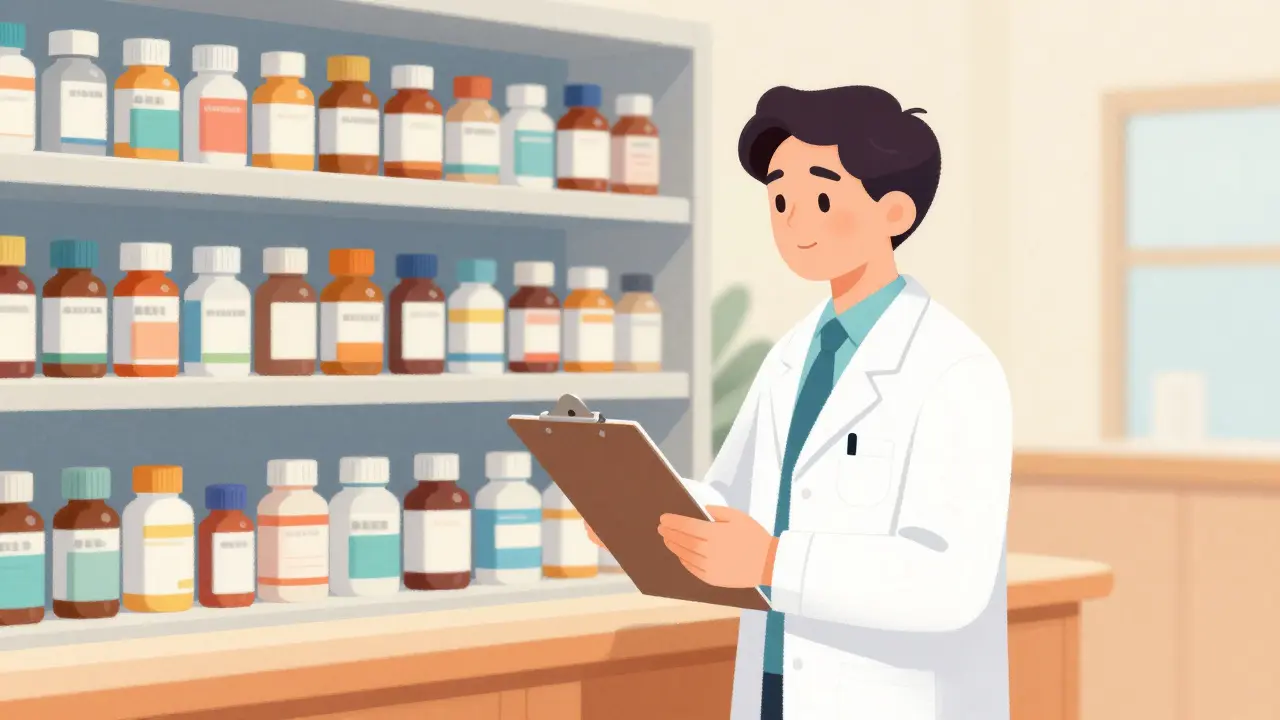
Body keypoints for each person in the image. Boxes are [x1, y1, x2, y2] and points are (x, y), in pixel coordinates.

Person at [587, 85, 1012, 720]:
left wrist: (770, 560)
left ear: (894, 213)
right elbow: (732, 499)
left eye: (819, 196)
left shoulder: (954, 367)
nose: (793, 219)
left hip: (889, 698)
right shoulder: (794, 352)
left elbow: (951, 582)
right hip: (778, 682)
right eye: (779, 197)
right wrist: (640, 512)